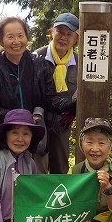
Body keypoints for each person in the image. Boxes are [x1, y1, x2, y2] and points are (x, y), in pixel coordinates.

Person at [0, 16, 74, 153]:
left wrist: (72, 103)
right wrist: (19, 118)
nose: (16, 41)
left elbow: (50, 99)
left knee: (31, 167)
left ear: (26, 37)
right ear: (1, 40)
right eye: (10, 37)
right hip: (2, 139)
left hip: (32, 137)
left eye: (20, 36)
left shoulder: (39, 64)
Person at [33, 13, 79, 175]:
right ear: (51, 32)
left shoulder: (80, 63)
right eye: (59, 31)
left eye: (69, 34)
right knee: (37, 169)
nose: (63, 37)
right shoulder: (36, 57)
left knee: (60, 168)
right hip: (38, 122)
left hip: (63, 124)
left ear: (76, 38)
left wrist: (72, 113)